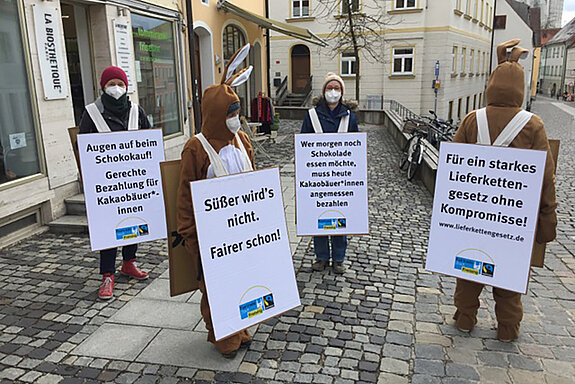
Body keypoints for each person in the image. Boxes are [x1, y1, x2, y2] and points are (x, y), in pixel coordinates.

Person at [451, 40, 557, 342]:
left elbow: (452, 172)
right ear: (520, 88)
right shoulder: (533, 125)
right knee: (509, 276)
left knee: (470, 270)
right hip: (513, 220)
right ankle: (508, 328)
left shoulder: (473, 119)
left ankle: (465, 318)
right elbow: (545, 179)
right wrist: (547, 218)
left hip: (476, 214)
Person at [176, 45, 254, 358]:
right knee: (217, 288)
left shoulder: (242, 139)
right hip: (213, 235)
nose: (235, 119)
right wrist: (191, 235)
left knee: (244, 280)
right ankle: (224, 335)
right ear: (215, 114)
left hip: (244, 228)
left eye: (237, 112)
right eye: (230, 114)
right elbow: (185, 195)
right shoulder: (195, 148)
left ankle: (242, 325)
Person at [79, 66, 151, 300]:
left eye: (120, 84)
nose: (116, 88)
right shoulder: (91, 112)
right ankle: (107, 275)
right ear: (103, 87)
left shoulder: (136, 111)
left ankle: (129, 262)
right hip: (108, 185)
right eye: (111, 84)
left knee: (133, 223)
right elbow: (85, 150)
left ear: (126, 86)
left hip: (132, 182)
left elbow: (147, 140)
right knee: (109, 231)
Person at [300, 73, 359, 274]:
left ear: (342, 92)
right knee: (320, 216)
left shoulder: (350, 117)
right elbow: (303, 147)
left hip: (341, 178)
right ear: (323, 91)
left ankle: (339, 259)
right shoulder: (312, 116)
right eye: (329, 88)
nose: (333, 91)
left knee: (341, 217)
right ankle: (322, 257)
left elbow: (355, 149)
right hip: (318, 178)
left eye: (337, 88)